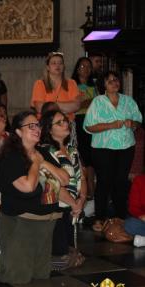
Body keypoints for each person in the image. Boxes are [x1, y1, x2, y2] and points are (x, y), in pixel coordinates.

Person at [0, 110, 68, 284]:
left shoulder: (43, 152)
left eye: (38, 125)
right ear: (19, 132)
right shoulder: (12, 157)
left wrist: (42, 161)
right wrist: (36, 163)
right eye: (31, 126)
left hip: (46, 224)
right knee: (18, 278)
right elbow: (28, 186)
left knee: (41, 277)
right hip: (21, 224)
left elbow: (65, 179)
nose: (37, 129)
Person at [84, 71, 142, 230]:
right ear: (103, 85)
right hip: (103, 149)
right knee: (104, 182)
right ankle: (99, 217)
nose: (114, 83)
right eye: (110, 81)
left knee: (121, 182)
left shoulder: (128, 101)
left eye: (116, 80)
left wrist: (133, 123)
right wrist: (110, 125)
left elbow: (139, 120)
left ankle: (121, 217)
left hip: (126, 147)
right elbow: (88, 126)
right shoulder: (97, 102)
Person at [40, 110, 87, 269]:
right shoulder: (46, 151)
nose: (65, 124)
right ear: (48, 129)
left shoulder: (72, 148)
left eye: (65, 120)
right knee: (61, 253)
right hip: (57, 208)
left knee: (71, 252)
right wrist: (74, 204)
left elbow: (82, 177)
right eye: (59, 122)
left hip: (72, 206)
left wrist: (81, 200)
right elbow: (53, 185)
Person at [71, 57, 97, 199]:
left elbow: (98, 104)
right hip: (79, 122)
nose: (86, 69)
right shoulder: (72, 85)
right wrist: (88, 102)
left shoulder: (94, 86)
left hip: (93, 122)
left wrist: (90, 103)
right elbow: (74, 106)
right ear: (77, 68)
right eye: (82, 66)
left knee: (92, 157)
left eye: (88, 67)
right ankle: (83, 190)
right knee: (82, 156)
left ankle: (92, 190)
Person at [31, 52, 80, 119]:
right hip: (46, 122)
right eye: (54, 63)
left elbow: (76, 106)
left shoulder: (72, 83)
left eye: (60, 63)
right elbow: (39, 108)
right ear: (48, 67)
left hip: (67, 122)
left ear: (63, 66)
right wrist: (66, 106)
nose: (57, 65)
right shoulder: (39, 83)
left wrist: (51, 106)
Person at [124, 174, 145, 247]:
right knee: (130, 224)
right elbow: (133, 207)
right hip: (143, 221)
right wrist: (141, 216)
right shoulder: (139, 180)